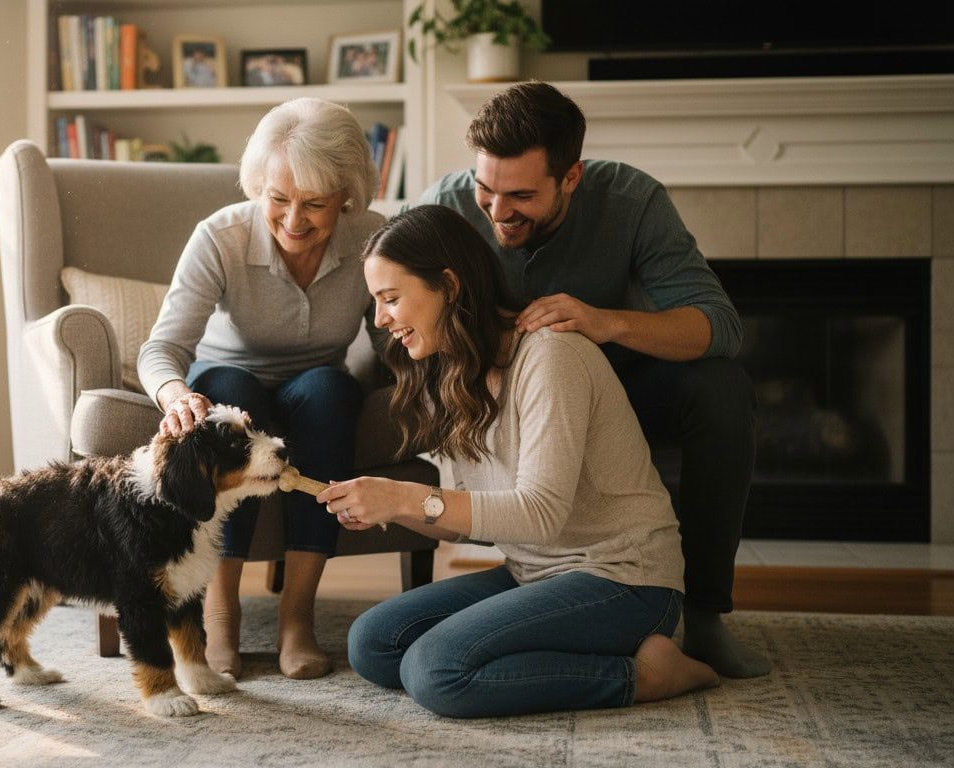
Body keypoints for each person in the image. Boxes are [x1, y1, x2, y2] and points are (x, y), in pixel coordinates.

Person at [416, 80, 769, 679]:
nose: (498, 214)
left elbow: (720, 325)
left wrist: (604, 322)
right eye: (486, 190)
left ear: (571, 178)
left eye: (521, 196)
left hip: (622, 392)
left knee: (722, 388)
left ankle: (705, 617)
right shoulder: (443, 206)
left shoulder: (632, 200)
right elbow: (388, 321)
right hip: (503, 400)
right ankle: (548, 595)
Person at [317, 205, 721, 717]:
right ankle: (560, 648)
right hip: (534, 572)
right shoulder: (452, 370)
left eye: (391, 299)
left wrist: (406, 496)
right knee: (373, 642)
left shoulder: (551, 356)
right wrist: (390, 507)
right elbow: (469, 524)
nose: (379, 320)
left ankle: (645, 674)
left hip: (624, 579)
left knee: (435, 671)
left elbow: (540, 514)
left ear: (448, 284)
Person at [138, 97, 384, 680]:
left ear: (346, 197)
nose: (294, 220)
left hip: (312, 393)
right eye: (278, 199)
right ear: (258, 189)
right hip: (229, 386)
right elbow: (161, 348)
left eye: (315, 205)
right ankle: (219, 615)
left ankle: (296, 618)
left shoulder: (374, 239)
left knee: (329, 389)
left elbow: (393, 338)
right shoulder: (219, 236)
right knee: (230, 387)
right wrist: (176, 397)